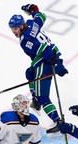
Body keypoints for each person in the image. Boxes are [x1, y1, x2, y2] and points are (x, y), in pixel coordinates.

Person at [8, 4, 68, 133]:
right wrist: (33, 10)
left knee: (43, 96)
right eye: (12, 29)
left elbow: (44, 50)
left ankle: (58, 121)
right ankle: (35, 101)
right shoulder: (31, 23)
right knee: (29, 74)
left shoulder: (25, 41)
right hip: (45, 57)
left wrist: (57, 63)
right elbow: (41, 16)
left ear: (22, 26)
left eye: (16, 28)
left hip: (45, 61)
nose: (14, 31)